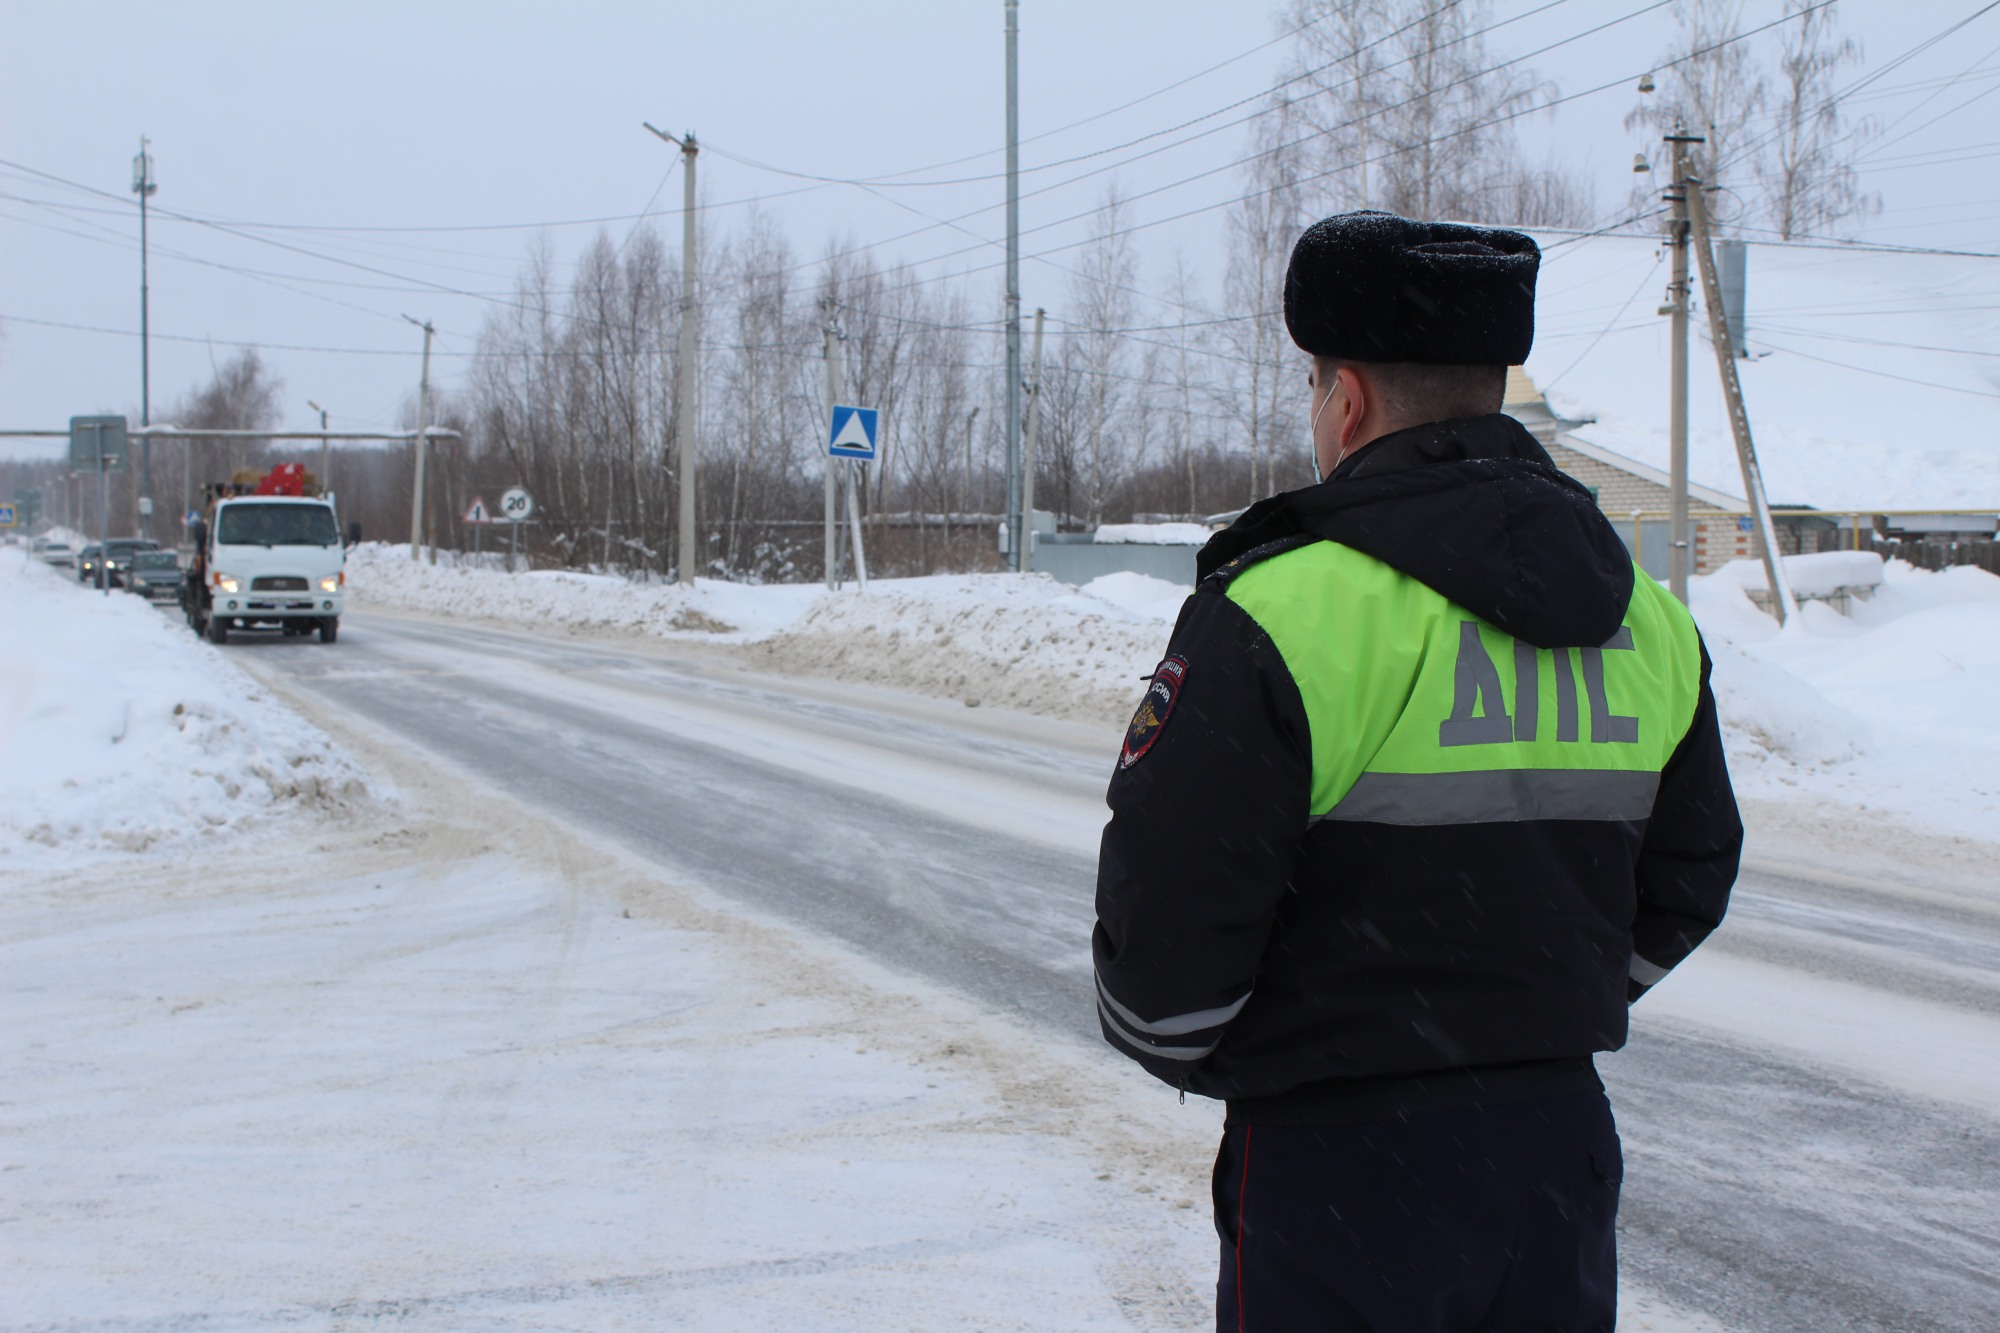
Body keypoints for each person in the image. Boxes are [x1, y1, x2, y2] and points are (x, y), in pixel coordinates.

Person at [1092, 210, 1741, 1333]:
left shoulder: (1280, 608)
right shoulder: (1651, 620)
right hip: (1554, 1151)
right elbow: (1689, 873)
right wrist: (1536, 1004)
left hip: (1337, 1164)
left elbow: (1167, 944)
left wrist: (1297, 1049)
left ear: (1344, 400)